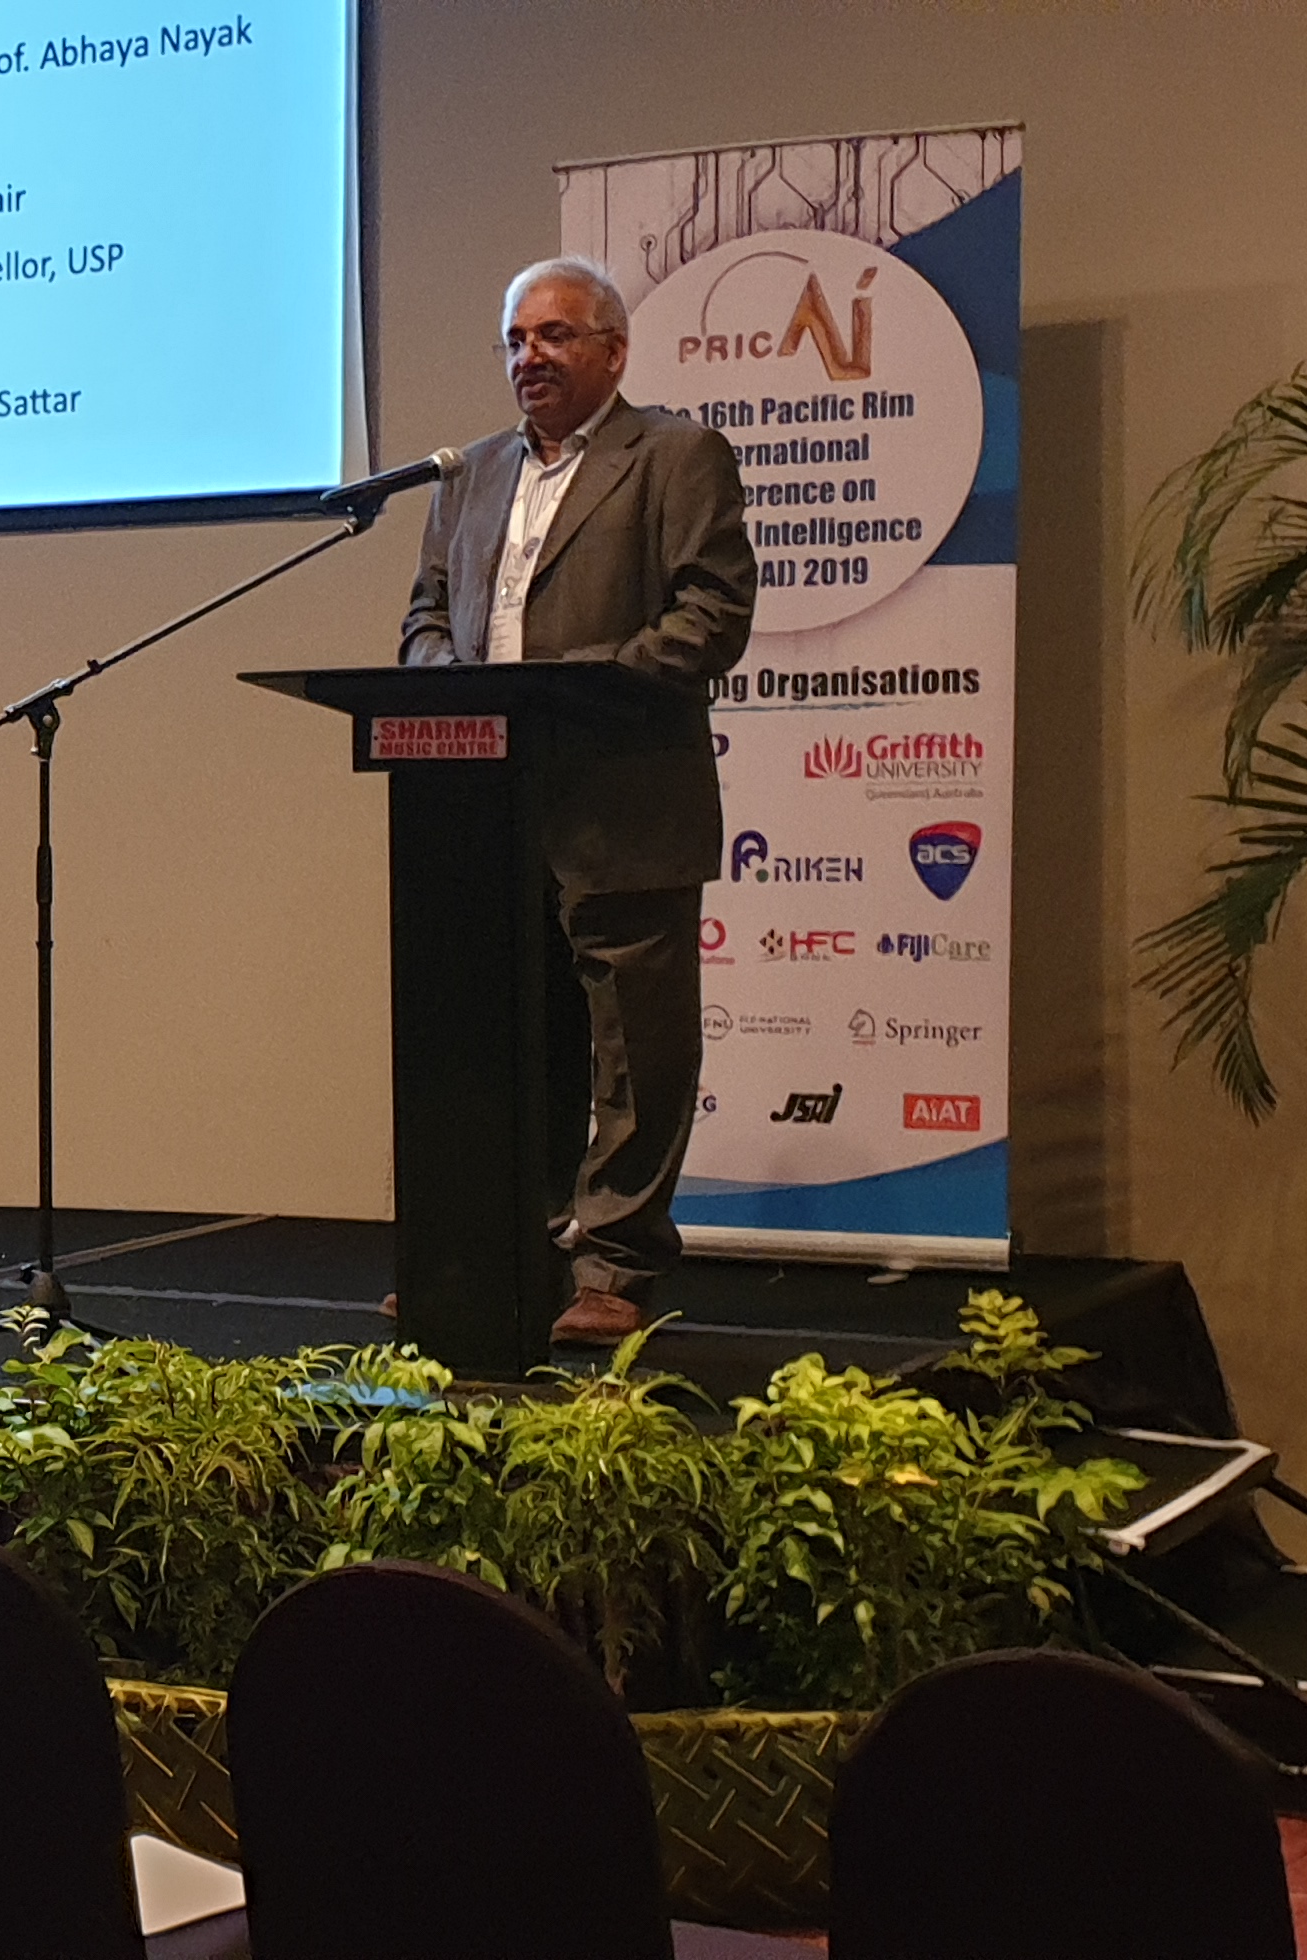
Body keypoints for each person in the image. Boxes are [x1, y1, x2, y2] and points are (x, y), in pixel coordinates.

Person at [398, 254, 757, 1342]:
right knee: (504, 1046)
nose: (531, 357)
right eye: (516, 340)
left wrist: (578, 687)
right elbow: (425, 618)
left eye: (554, 335)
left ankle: (615, 1266)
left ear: (614, 349)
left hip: (623, 797)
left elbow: (711, 614)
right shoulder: (468, 476)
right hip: (486, 810)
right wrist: (446, 683)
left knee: (636, 1051)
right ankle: (493, 1258)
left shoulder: (676, 456)